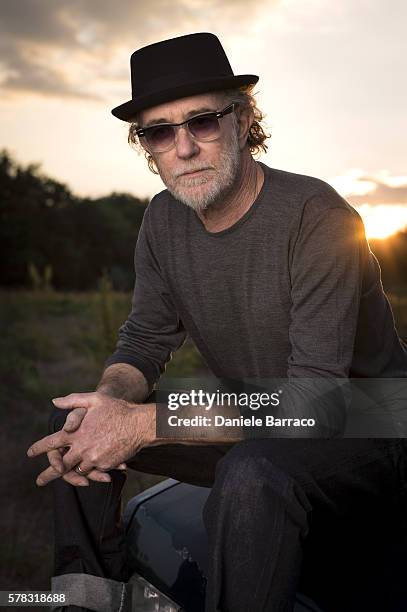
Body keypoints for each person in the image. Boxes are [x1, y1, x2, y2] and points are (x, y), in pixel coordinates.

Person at [27, 33, 407, 612]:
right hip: (262, 414)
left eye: (202, 121)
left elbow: (318, 402)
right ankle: (86, 600)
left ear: (243, 119)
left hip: (373, 423)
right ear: (146, 147)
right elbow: (145, 340)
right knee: (77, 419)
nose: (184, 148)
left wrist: (146, 424)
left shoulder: (319, 217)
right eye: (159, 131)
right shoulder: (160, 220)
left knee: (253, 472)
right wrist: (109, 406)